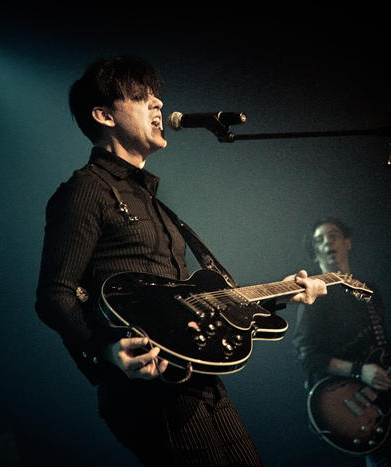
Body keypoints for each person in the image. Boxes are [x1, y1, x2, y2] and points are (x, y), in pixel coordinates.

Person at [35, 55, 326, 466]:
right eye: (141, 98)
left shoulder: (151, 200)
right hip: (148, 389)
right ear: (103, 115)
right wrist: (108, 348)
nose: (158, 105)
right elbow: (53, 295)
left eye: (157, 96)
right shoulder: (87, 191)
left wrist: (282, 294)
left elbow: (196, 301)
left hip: (200, 377)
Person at [292, 217, 391, 467]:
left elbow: (380, 345)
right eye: (319, 240)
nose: (327, 242)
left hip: (383, 397)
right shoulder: (315, 297)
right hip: (347, 401)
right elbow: (309, 357)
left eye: (333, 235)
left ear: (348, 243)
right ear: (316, 255)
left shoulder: (369, 291)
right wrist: (360, 371)